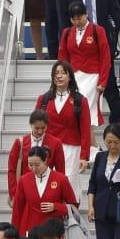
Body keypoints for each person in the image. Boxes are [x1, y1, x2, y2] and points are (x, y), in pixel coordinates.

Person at [55, 0, 120, 123]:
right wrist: (64, 38)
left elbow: (115, 10)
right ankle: (78, 117)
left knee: (109, 77)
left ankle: (116, 118)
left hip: (101, 35)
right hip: (77, 39)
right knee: (78, 82)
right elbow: (61, 16)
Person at [35, 60, 93, 199]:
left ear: (70, 77)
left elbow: (85, 131)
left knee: (69, 181)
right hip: (47, 148)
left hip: (72, 149)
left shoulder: (80, 101)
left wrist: (84, 157)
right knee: (47, 181)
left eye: (63, 73)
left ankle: (70, 215)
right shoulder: (43, 100)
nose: (59, 76)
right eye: (56, 73)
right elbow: (36, 127)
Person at [56, 1, 111, 128]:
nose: (76, 22)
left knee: (86, 113)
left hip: (92, 77)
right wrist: (61, 78)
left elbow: (105, 58)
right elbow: (62, 58)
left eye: (79, 18)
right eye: (73, 19)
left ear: (86, 15)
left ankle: (90, 146)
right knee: (74, 112)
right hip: (73, 77)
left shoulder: (98, 30)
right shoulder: (67, 32)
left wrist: (103, 82)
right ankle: (90, 146)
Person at [10, 146, 77, 237]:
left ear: (45, 160)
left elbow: (74, 206)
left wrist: (56, 207)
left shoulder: (61, 179)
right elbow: (17, 209)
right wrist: (14, 233)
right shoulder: (24, 180)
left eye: (37, 165)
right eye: (30, 165)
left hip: (53, 230)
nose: (33, 168)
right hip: (30, 230)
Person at [7, 109, 66, 194]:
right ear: (31, 125)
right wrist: (14, 194)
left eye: (43, 128)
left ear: (47, 125)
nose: (40, 131)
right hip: (24, 190)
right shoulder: (19, 143)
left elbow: (61, 172)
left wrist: (59, 193)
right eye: (37, 128)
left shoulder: (56, 143)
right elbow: (11, 170)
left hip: (47, 190)